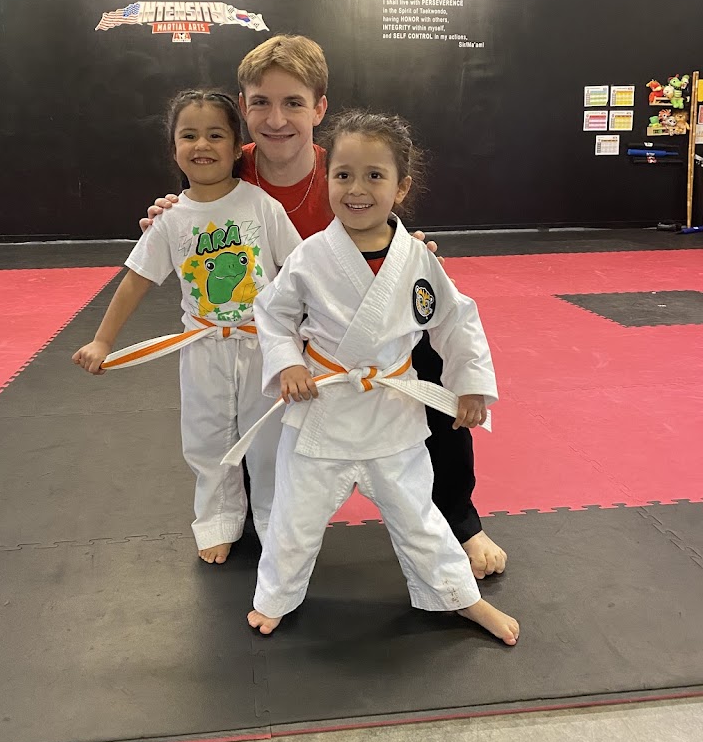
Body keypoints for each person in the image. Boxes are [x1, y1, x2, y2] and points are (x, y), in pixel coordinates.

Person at [141, 35, 507, 581]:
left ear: (319, 108)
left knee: (428, 368)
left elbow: (383, 223)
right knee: (239, 418)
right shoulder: (225, 164)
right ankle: (247, 508)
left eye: (293, 103)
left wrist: (406, 256)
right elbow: (194, 219)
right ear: (243, 108)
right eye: (261, 103)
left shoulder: (343, 166)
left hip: (351, 324)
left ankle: (460, 518)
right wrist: (167, 214)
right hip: (272, 332)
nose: (276, 119)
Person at [240, 110, 518, 645]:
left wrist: (471, 385)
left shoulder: (417, 259)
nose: (356, 189)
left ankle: (459, 596)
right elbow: (272, 314)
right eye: (343, 175)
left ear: (401, 187)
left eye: (374, 176)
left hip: (392, 416)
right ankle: (275, 597)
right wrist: (289, 363)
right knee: (294, 520)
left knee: (419, 515)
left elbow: (455, 319)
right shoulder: (310, 255)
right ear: (327, 180)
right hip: (322, 413)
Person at [73, 90, 301, 564]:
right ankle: (217, 520)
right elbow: (136, 280)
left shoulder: (261, 206)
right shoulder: (171, 219)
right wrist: (102, 339)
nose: (202, 145)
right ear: (173, 147)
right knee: (206, 437)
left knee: (269, 439)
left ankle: (274, 520)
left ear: (237, 146)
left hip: (264, 345)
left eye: (216, 135)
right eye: (189, 135)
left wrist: (316, 337)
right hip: (202, 347)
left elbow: (302, 271)